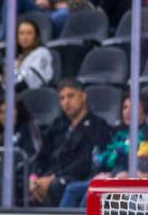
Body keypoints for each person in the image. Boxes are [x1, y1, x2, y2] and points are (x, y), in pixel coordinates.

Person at [59, 93, 148, 207]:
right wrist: (110, 170)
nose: (127, 111)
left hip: (130, 182)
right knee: (72, 189)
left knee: (90, 194)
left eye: (133, 107)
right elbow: (101, 158)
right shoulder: (118, 133)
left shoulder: (147, 136)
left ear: (144, 112)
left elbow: (143, 166)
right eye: (125, 107)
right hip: (111, 176)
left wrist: (118, 164)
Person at [29, 79, 112, 207]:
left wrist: (53, 178)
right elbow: (42, 155)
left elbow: (85, 162)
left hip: (77, 178)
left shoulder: (97, 125)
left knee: (56, 186)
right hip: (50, 177)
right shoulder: (58, 124)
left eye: (70, 96)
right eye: (62, 98)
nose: (66, 102)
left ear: (83, 96)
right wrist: (34, 178)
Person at [14, 19, 54, 91]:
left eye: (29, 33)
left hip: (36, 93)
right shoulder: (17, 57)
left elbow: (33, 79)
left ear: (35, 36)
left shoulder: (42, 52)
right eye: (21, 33)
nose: (25, 37)